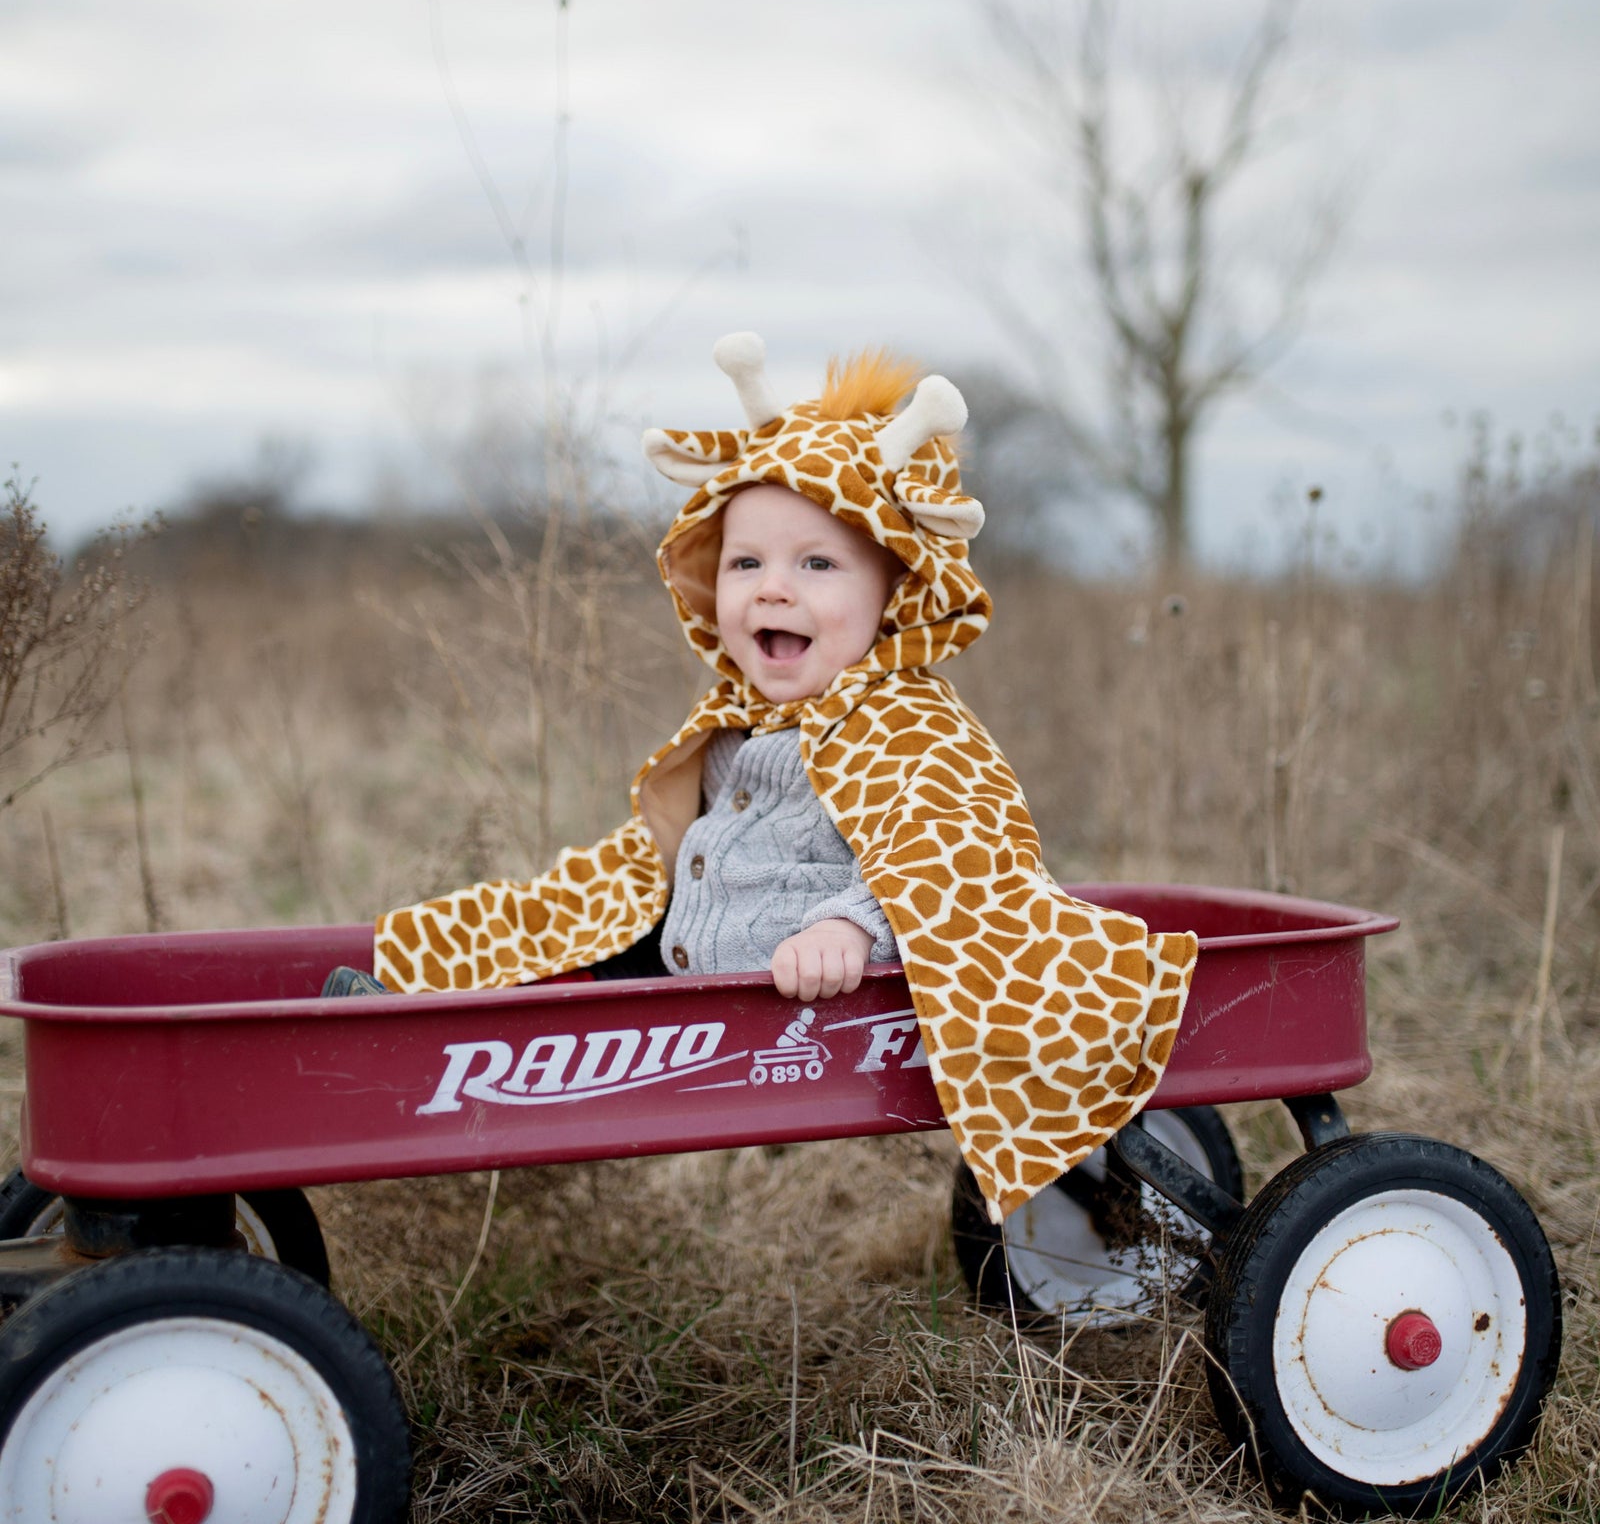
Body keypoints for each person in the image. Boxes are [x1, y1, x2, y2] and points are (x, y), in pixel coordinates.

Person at [328, 334, 1199, 1224]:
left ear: (893, 590)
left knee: (567, 1009)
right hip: (678, 953)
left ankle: (422, 1041)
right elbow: (688, 838)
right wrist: (634, 870)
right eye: (747, 564)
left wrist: (851, 928)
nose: (772, 590)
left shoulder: (911, 726)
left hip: (776, 997)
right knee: (554, 928)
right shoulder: (739, 714)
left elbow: (958, 868)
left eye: (817, 564)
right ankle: (411, 1011)